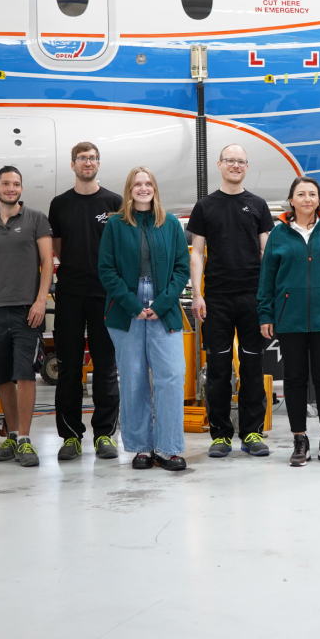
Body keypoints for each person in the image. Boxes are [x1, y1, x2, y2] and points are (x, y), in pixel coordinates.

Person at [259, 176, 320, 467]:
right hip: (289, 318)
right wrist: (266, 314)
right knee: (294, 379)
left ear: (319, 200)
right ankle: (299, 439)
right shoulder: (279, 234)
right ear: (291, 200)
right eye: (301, 194)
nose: (307, 199)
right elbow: (267, 279)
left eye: (312, 194)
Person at [97, 167, 191, 471]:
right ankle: (142, 448)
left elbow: (182, 269)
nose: (143, 188)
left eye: (148, 183)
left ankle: (169, 448)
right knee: (134, 380)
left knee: (171, 377)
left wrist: (161, 304)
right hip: (127, 309)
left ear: (155, 188)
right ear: (129, 189)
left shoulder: (171, 223)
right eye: (137, 184)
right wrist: (132, 304)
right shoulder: (115, 224)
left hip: (164, 307)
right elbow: (106, 270)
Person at [188, 143, 273, 458]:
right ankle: (221, 435)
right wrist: (197, 294)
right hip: (217, 299)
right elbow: (197, 254)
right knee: (219, 370)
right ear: (220, 165)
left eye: (241, 161)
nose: (235, 165)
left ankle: (252, 432)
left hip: (253, 298)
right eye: (230, 160)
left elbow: (267, 253)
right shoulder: (205, 206)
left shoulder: (258, 205)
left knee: (252, 368)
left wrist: (268, 296)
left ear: (246, 167)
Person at [0, 165, 54, 467]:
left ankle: (25, 440)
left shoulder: (36, 219)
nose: (11, 188)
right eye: (6, 183)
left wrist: (40, 301)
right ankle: (12, 435)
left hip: (26, 311)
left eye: (16, 184)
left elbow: (47, 261)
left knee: (25, 375)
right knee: (3, 376)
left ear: (21, 188)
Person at [47, 142, 122, 462]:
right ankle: (70, 437)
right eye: (82, 158)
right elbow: (58, 247)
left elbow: (122, 245)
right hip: (70, 294)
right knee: (68, 368)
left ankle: (104, 435)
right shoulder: (60, 203)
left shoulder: (114, 202)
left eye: (92, 158)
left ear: (98, 164)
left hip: (106, 295)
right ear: (73, 164)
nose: (87, 163)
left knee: (106, 368)